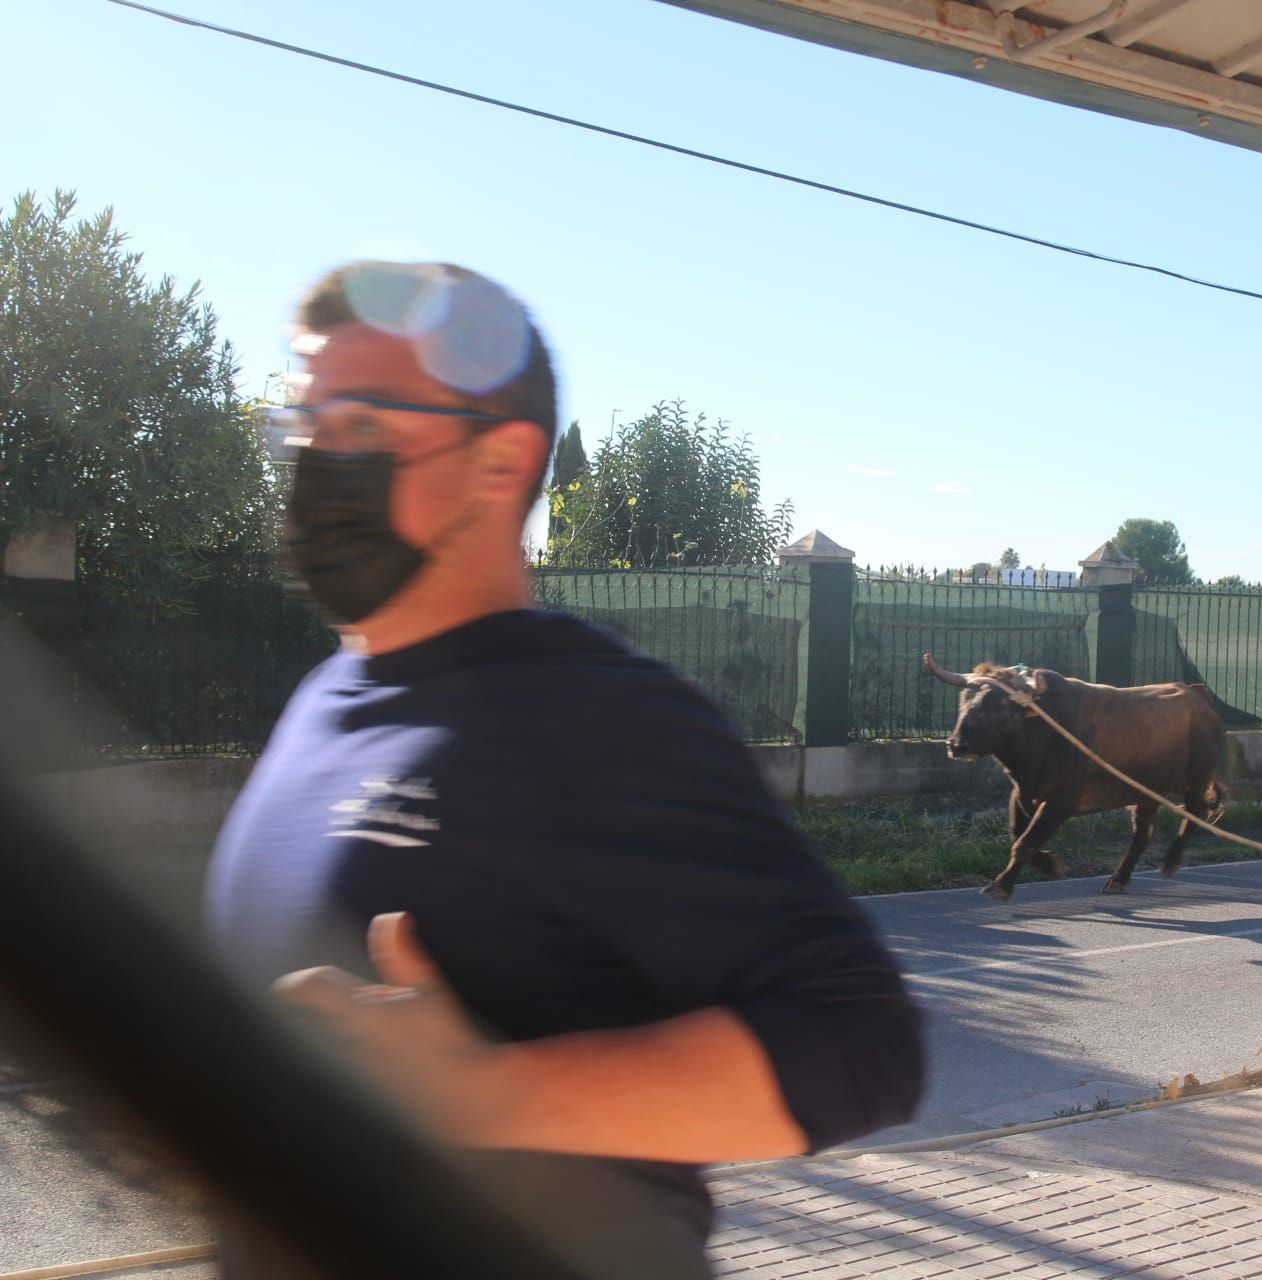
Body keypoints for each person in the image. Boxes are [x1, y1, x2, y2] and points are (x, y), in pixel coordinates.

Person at [204, 262, 923, 1273]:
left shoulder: (600, 720)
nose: (316, 460)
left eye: (363, 424)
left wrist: (477, 1096)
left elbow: (865, 1044)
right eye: (304, 422)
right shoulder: (323, 698)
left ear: (500, 463)